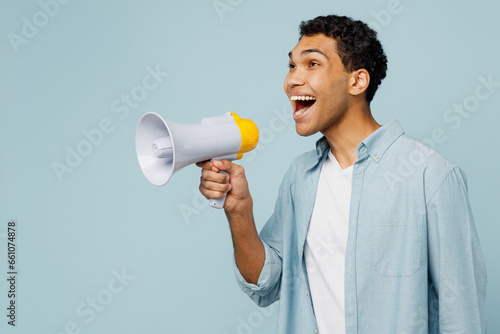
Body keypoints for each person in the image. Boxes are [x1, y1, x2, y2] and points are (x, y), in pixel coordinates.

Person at [197, 14, 487, 334]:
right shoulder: (299, 177)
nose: (292, 80)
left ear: (357, 81)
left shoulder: (430, 176)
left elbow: (462, 315)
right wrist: (239, 211)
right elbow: (267, 284)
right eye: (292, 65)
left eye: (312, 64)